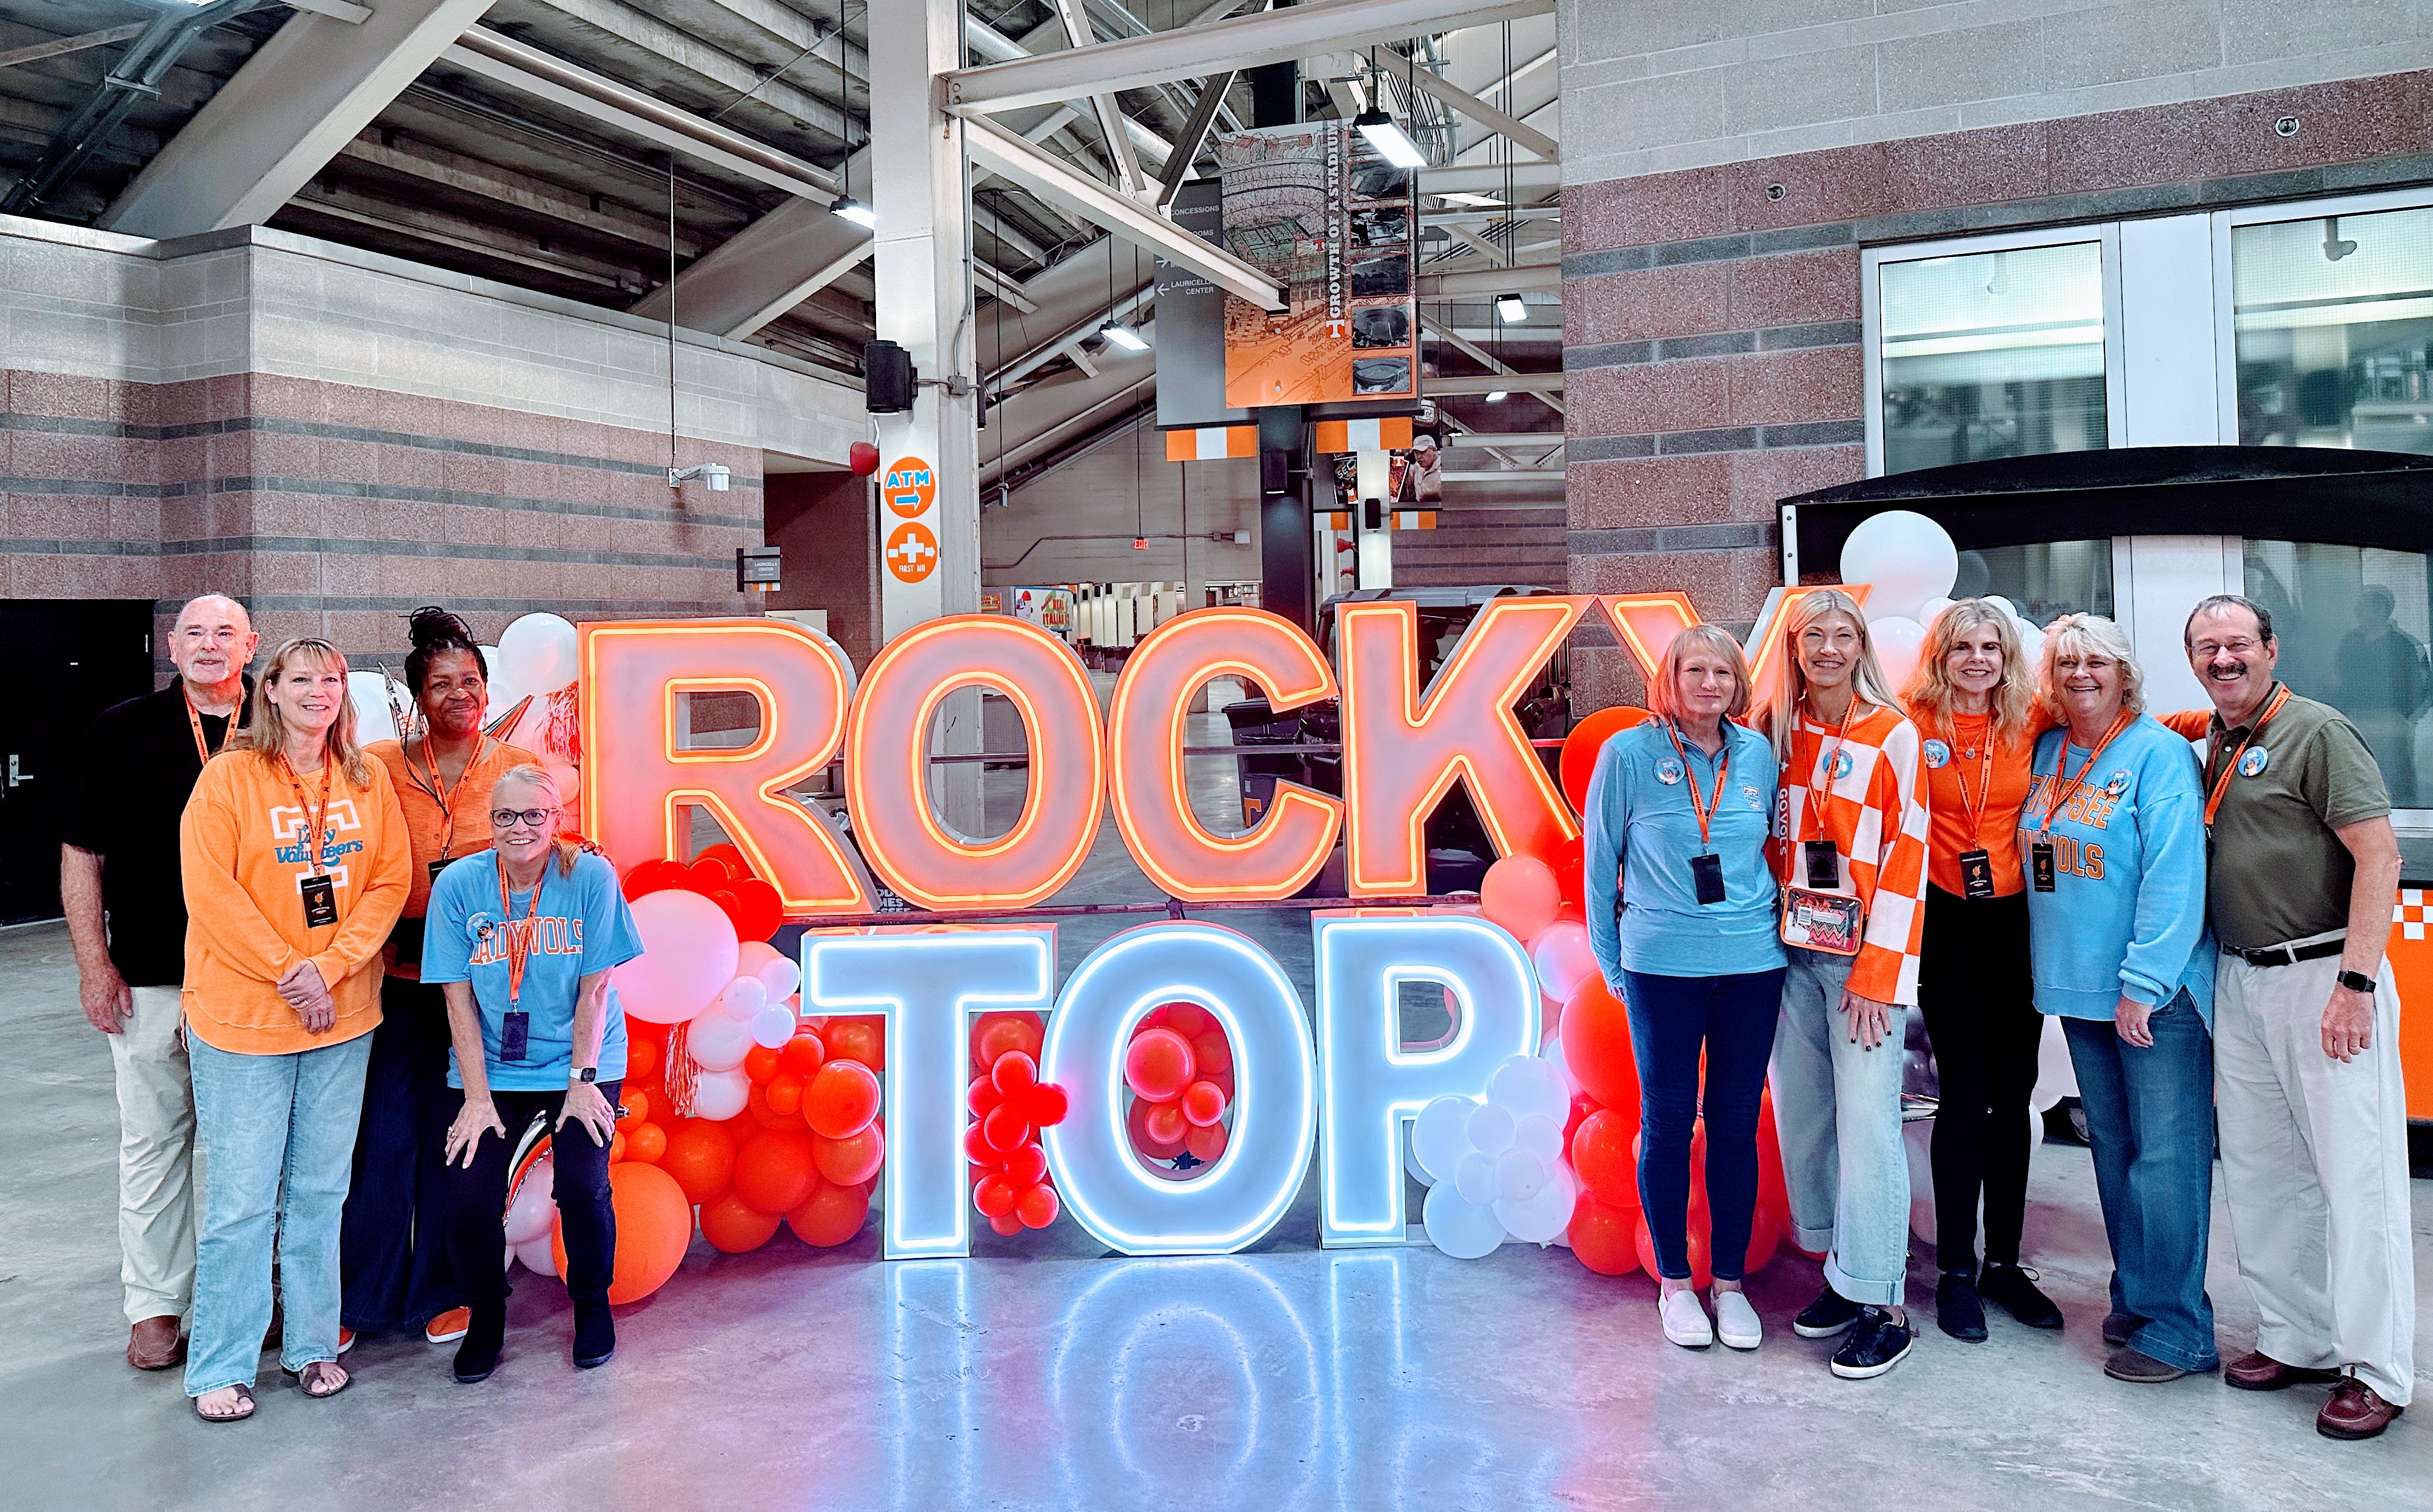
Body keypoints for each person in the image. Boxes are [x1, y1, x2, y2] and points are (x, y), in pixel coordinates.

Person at [2170, 595, 2413, 1439]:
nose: (2224, 658)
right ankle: (2296, 1337)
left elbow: (2379, 855)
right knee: (2265, 1174)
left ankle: (2377, 1369)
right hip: (2239, 979)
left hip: (2323, 976)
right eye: (2208, 647)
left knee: (2357, 1175)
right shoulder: (2211, 740)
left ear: (2271, 648)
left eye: (2238, 643)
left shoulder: (2317, 731)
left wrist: (2356, 982)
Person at [180, 638, 412, 1422]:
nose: (321, 691)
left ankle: (312, 1346)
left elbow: (389, 880)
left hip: (343, 1015)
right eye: (303, 678)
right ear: (270, 690)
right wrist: (291, 968)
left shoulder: (365, 775)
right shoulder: (227, 779)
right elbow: (211, 894)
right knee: (243, 1201)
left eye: (334, 679)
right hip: (246, 1020)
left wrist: (335, 966)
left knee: (320, 1191)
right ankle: (221, 1363)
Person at [62, 595, 259, 1371]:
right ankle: (155, 1305)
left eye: (226, 633)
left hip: (255, 979)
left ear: (250, 645)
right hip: (150, 974)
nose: (210, 645)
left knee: (255, 1148)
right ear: (172, 646)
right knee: (153, 1141)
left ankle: (258, 1290)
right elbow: (83, 853)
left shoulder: (280, 730)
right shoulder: (123, 729)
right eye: (195, 633)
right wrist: (92, 963)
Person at [2022, 615, 2217, 1387]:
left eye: (2095, 662)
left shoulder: (2159, 755)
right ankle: (2137, 1295)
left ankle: (2179, 1327)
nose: (2079, 674)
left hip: (2151, 996)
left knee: (2164, 1158)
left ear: (2124, 672)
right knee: (2115, 1152)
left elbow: (2176, 877)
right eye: (2065, 662)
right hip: (2077, 990)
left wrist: (2143, 983)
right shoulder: (2046, 749)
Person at [341, 609, 539, 1351]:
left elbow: (540, 865)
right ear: (417, 698)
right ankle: (361, 1297)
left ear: (487, 690)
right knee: (382, 1138)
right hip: (393, 976)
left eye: (471, 681)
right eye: (442, 684)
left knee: (459, 1138)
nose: (460, 694)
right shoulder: (379, 766)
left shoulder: (516, 766)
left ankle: (447, 1289)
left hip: (482, 986)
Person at [1584, 626, 1785, 1352]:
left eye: (1721, 673)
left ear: (1738, 684)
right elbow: (1598, 864)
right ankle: (1674, 1282)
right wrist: (1614, 968)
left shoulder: (1757, 755)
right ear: (1668, 680)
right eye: (1693, 670)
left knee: (1733, 1123)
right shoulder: (1628, 755)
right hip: (1660, 967)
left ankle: (1728, 1284)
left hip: (1752, 964)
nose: (1708, 684)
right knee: (1668, 1123)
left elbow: (1774, 847)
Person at [1756, 589, 1932, 1379]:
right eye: (1812, 635)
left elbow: (1907, 859)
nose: (1827, 647)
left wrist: (1877, 973)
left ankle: (1885, 1304)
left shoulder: (1890, 733)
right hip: (1791, 959)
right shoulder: (1777, 733)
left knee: (1867, 1128)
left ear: (1859, 644)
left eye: (1841, 634)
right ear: (1794, 649)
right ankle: (1841, 1271)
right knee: (1805, 1119)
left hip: (1862, 968)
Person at [427, 765, 644, 1383]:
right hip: (490, 1067)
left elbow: (595, 988)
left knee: (581, 1184)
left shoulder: (588, 877)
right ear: (487, 822)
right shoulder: (461, 886)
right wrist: (475, 1097)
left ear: (556, 820)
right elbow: (455, 997)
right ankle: (488, 1313)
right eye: (504, 816)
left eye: (533, 815)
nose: (518, 827)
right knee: (468, 1194)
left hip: (583, 1058)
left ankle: (591, 1303)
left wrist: (581, 1081)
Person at [1898, 602, 2065, 1341]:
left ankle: (2004, 1264)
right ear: (1940, 655)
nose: (1976, 659)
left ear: (2006, 656)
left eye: (1988, 647)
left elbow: (2119, 720)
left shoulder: (2030, 718)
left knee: (2014, 1093)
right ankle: (1956, 1274)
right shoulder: (1909, 720)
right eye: (1961, 646)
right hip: (1944, 924)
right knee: (1964, 1096)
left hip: (2014, 923)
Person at [2334, 585, 2427, 806]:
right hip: (2355, 718)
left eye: (2371, 606)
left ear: (2384, 609)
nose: (2363, 611)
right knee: (2358, 771)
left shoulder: (2404, 644)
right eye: (2361, 606)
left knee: (2396, 772)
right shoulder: (2351, 642)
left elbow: (2420, 684)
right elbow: (2338, 677)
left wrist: (2406, 718)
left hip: (2391, 721)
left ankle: (2404, 811)